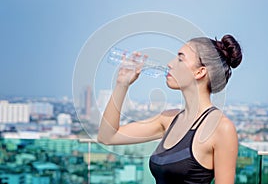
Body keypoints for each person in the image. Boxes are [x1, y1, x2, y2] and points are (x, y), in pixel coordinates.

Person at [98, 34, 243, 184]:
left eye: (180, 58)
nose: (170, 64)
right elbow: (107, 136)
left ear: (199, 72)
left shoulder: (221, 128)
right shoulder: (168, 120)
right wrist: (122, 84)